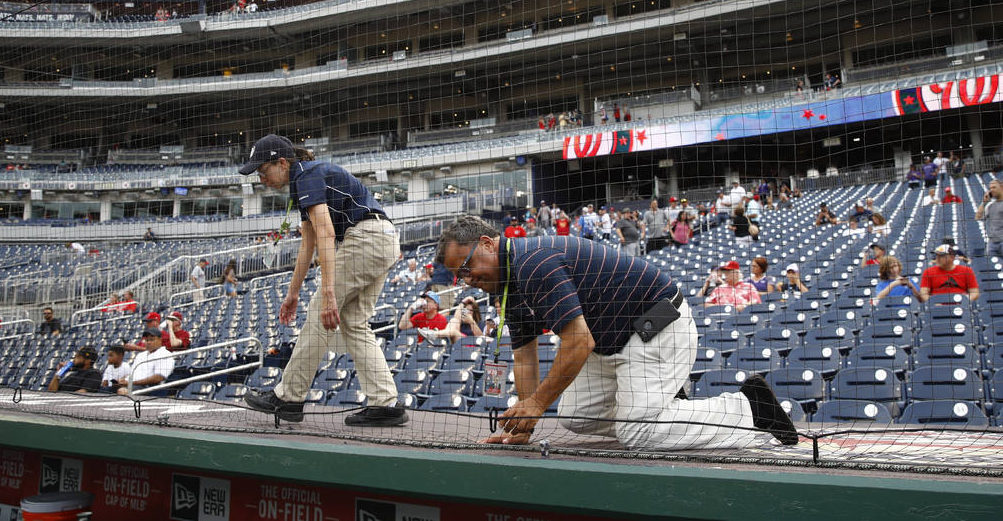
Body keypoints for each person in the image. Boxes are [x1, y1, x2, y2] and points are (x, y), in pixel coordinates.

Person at [436, 216, 797, 450]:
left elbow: (578, 341)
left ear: (487, 243)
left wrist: (536, 404)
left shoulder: (532, 262)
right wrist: (523, 424)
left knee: (637, 434)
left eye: (467, 267)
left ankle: (749, 409)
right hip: (614, 340)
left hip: (656, 321)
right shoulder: (508, 283)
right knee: (578, 417)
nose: (467, 279)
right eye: (459, 276)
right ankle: (665, 411)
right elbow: (525, 354)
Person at [237, 134, 405, 426]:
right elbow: (308, 244)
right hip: (382, 239)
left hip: (365, 239)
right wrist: (292, 294)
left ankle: (289, 397)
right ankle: (386, 403)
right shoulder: (305, 179)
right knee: (354, 323)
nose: (261, 178)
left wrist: (328, 294)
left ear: (281, 162)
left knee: (319, 314)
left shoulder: (307, 175)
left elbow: (326, 234)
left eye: (263, 170)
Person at [975, 178, 1003, 276]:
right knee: (992, 269)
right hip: (992, 243)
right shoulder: (990, 205)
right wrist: (984, 202)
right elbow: (978, 217)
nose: (991, 190)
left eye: (994, 187)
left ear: (1002, 187)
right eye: (990, 188)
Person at [118, 327, 174, 395]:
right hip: (131, 384)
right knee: (105, 389)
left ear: (160, 340)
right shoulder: (141, 355)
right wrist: (122, 380)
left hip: (147, 387)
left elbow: (158, 378)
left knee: (122, 391)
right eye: (147, 340)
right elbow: (132, 373)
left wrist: (131, 383)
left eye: (152, 340)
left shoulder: (165, 354)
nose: (149, 342)